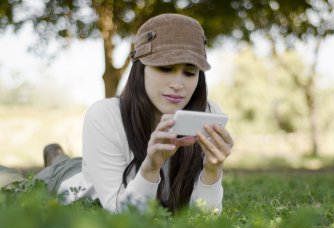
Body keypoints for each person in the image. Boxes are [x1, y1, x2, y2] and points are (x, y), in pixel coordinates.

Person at [34, 13, 234, 214]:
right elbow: (124, 215)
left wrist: (212, 171)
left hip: (99, 164)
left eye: (190, 72)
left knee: (76, 163)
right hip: (69, 179)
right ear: (140, 69)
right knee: (15, 179)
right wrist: (151, 167)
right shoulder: (104, 115)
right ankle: (56, 157)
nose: (178, 84)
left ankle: (58, 156)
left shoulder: (208, 114)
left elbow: (203, 218)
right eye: (165, 69)